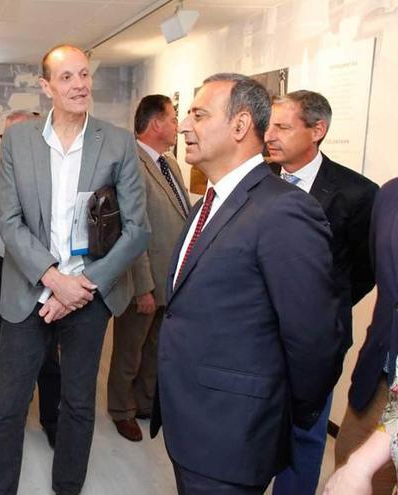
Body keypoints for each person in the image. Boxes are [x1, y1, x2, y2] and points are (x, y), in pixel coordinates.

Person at [151, 73, 343, 494]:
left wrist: (278, 414)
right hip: (195, 423)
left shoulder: (284, 211)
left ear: (240, 126)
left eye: (199, 114)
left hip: (234, 433)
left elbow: (314, 339)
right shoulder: (210, 204)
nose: (184, 125)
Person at [0, 45, 149, 495]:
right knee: (8, 408)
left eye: (84, 75)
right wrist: (54, 279)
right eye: (67, 77)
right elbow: (9, 222)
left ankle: (68, 488)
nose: (79, 85)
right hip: (29, 293)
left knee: (78, 405)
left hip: (89, 299)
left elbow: (137, 230)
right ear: (46, 86)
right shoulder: (19, 140)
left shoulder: (116, 142)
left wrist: (83, 285)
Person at [265, 90, 379, 495]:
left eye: (282, 126)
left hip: (316, 341)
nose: (270, 135)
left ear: (317, 130)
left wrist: (321, 312)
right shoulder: (256, 182)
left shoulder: (358, 193)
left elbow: (364, 270)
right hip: (257, 334)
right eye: (269, 125)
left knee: (305, 435)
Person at [0, 109, 61, 448]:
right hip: (2, 271)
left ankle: (52, 420)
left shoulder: (56, 174)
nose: (11, 142)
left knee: (48, 355)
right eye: (6, 136)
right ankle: (9, 421)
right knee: (8, 352)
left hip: (46, 274)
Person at [108, 94, 189, 443]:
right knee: (129, 348)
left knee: (155, 348)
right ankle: (120, 410)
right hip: (142, 278)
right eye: (173, 119)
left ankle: (144, 403)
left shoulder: (170, 164)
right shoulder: (131, 163)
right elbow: (131, 228)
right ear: (156, 123)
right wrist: (143, 286)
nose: (178, 126)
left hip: (169, 279)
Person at [323, 177, 398, 495]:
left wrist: (364, 463)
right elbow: (379, 276)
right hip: (379, 376)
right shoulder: (390, 195)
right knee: (348, 464)